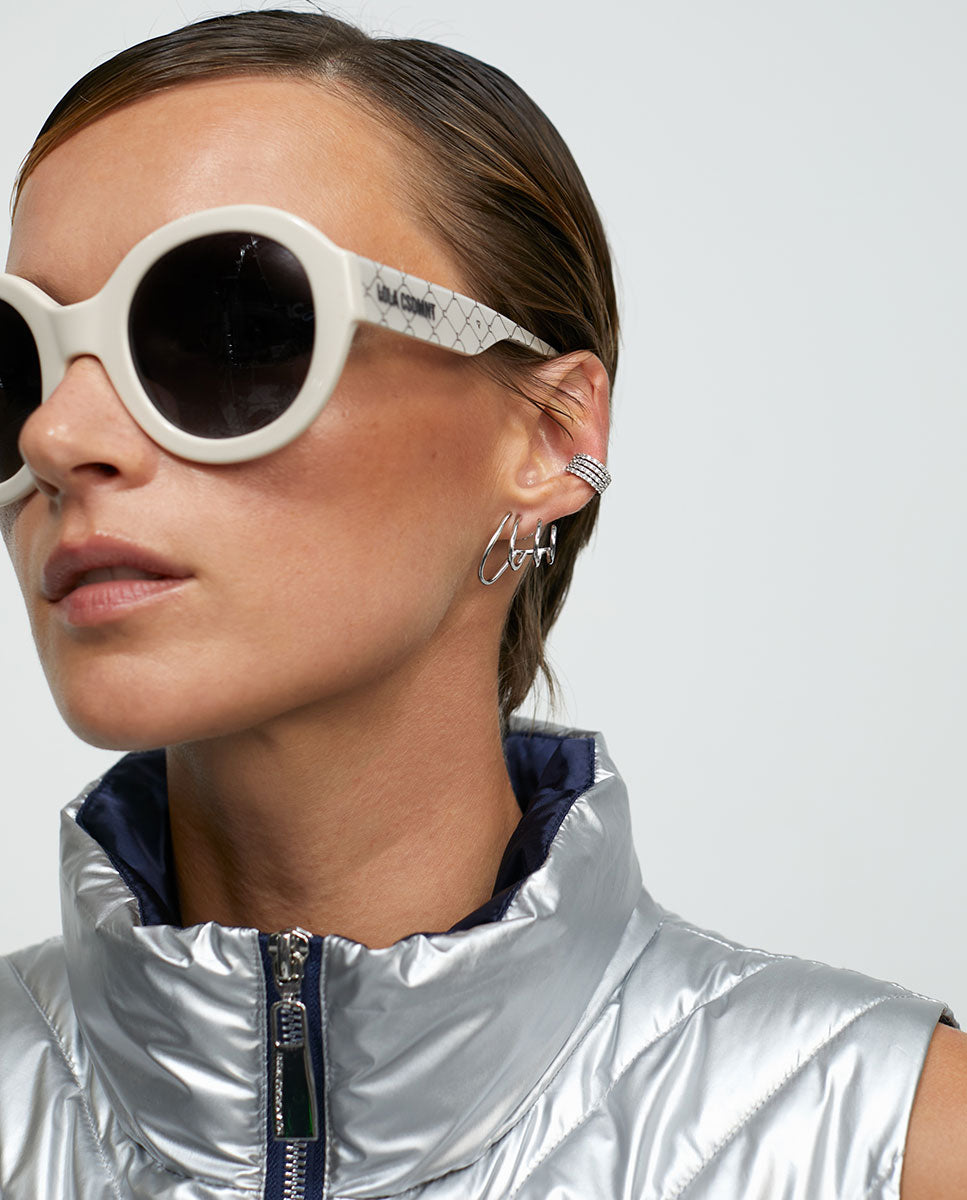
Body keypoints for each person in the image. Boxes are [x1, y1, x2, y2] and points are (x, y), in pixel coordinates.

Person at [0, 8, 964, 1198]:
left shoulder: (894, 1145)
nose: (56, 436)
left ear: (551, 433)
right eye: (14, 363)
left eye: (228, 329)